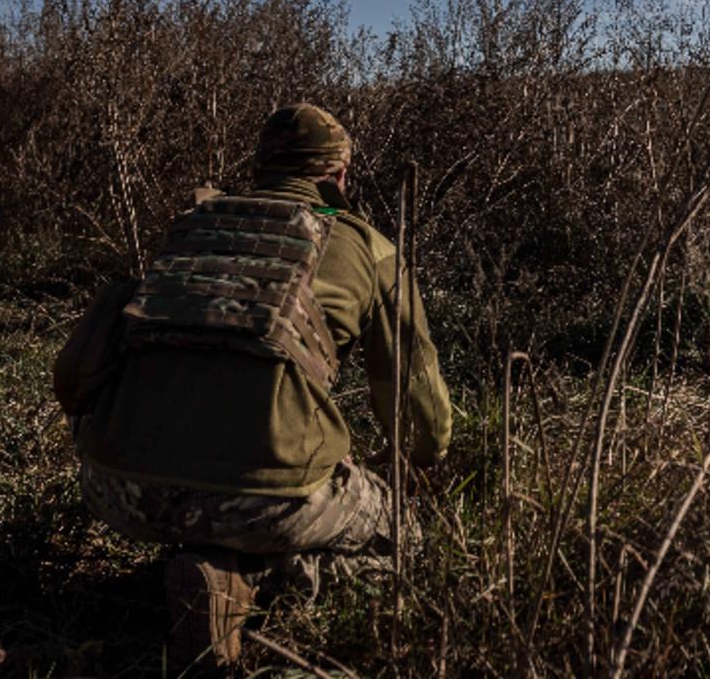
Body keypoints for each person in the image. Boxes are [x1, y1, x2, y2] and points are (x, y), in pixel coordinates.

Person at [70, 103, 451, 668]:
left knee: (216, 502)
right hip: (265, 501)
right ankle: (255, 579)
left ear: (261, 170)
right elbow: (416, 405)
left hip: (117, 490)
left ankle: (204, 564)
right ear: (339, 175)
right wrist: (421, 461)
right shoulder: (367, 247)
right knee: (410, 546)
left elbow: (72, 376)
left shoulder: (192, 226)